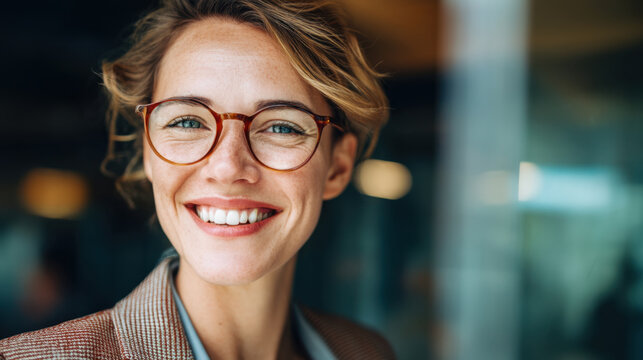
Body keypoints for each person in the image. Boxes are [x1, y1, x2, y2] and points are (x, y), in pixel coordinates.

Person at [0, 0, 392, 358]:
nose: (227, 167)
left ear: (338, 168)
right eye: (187, 121)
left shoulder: (367, 352)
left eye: (282, 127)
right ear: (147, 153)